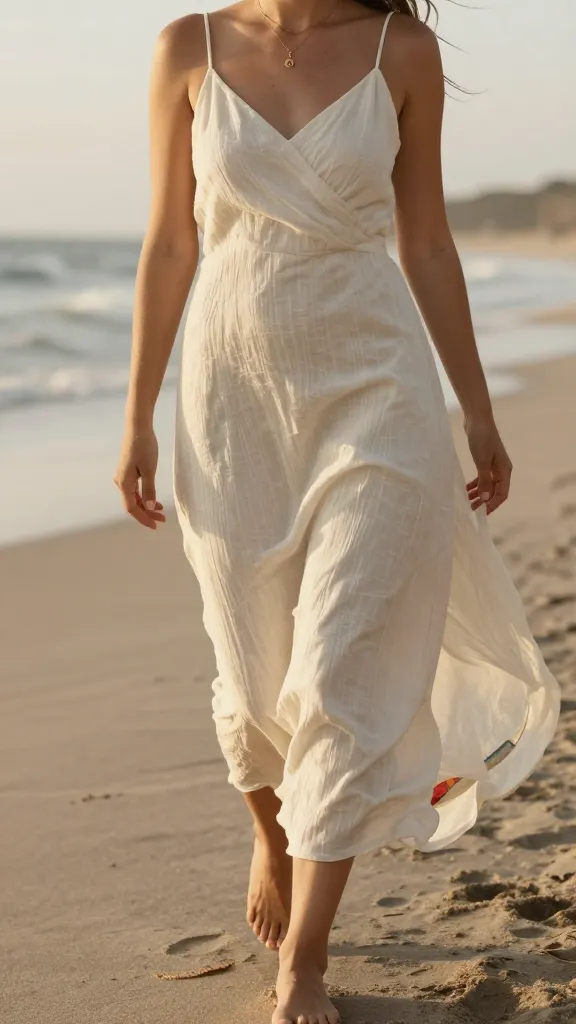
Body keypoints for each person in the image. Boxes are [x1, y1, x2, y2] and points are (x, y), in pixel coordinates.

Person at [114, 3, 560, 1022]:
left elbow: (430, 242)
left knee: (344, 668)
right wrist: (135, 414)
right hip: (230, 402)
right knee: (254, 666)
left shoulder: (400, 50)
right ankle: (273, 826)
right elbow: (169, 243)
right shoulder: (188, 49)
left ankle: (304, 959)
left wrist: (478, 409)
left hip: (378, 394)